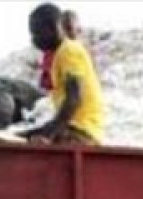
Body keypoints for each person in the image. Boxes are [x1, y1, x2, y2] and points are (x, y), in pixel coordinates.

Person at [20, 3, 105, 145]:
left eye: (36, 33)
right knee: (23, 138)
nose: (34, 40)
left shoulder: (69, 51)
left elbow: (74, 98)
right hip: (73, 127)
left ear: (53, 28)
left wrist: (49, 133)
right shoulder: (58, 54)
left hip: (82, 130)